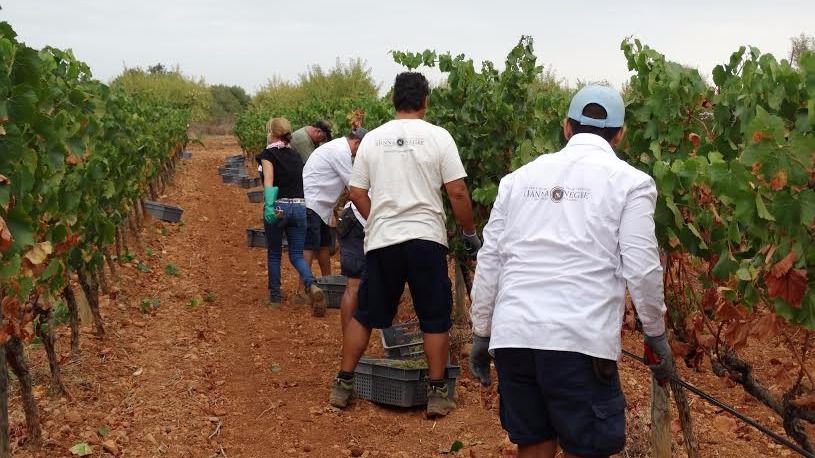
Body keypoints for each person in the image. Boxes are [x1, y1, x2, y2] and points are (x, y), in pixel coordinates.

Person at [467, 85, 673, 458]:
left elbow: (491, 258)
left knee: (533, 442)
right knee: (587, 447)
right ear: (620, 134)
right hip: (579, 341)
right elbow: (642, 268)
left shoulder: (516, 180)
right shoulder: (631, 183)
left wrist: (481, 331)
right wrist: (655, 335)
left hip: (514, 336)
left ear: (566, 127)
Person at [328, 72, 481, 418]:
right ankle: (438, 394)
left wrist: (377, 217)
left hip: (384, 239)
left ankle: (343, 383)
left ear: (393, 100)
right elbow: (456, 191)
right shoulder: (439, 137)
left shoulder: (373, 139)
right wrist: (469, 233)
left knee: (366, 313)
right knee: (435, 318)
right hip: (426, 238)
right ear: (425, 101)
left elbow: (355, 192)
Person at [256, 117, 327, 316]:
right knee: (296, 254)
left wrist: (269, 206)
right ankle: (311, 285)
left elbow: (269, 180)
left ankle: (275, 297)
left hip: (279, 206)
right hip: (300, 207)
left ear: (272, 133)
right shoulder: (296, 154)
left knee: (274, 253)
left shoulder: (268, 154)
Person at [302, 128, 369, 303]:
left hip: (322, 204)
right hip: (313, 202)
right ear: (357, 143)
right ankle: (301, 289)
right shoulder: (340, 152)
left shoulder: (339, 148)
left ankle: (327, 285)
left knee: (323, 246)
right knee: (309, 246)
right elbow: (354, 186)